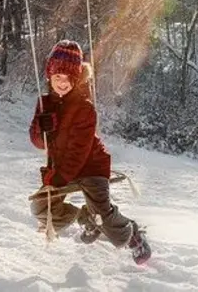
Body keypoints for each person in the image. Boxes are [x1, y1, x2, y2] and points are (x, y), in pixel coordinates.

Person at [28, 39, 151, 264]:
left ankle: (132, 234)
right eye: (57, 77)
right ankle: (84, 217)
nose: (62, 83)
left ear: (76, 78)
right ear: (50, 77)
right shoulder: (45, 104)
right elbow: (37, 141)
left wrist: (57, 178)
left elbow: (79, 151)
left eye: (67, 78)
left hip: (90, 165)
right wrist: (42, 129)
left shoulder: (85, 107)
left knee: (104, 215)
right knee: (40, 207)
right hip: (62, 168)